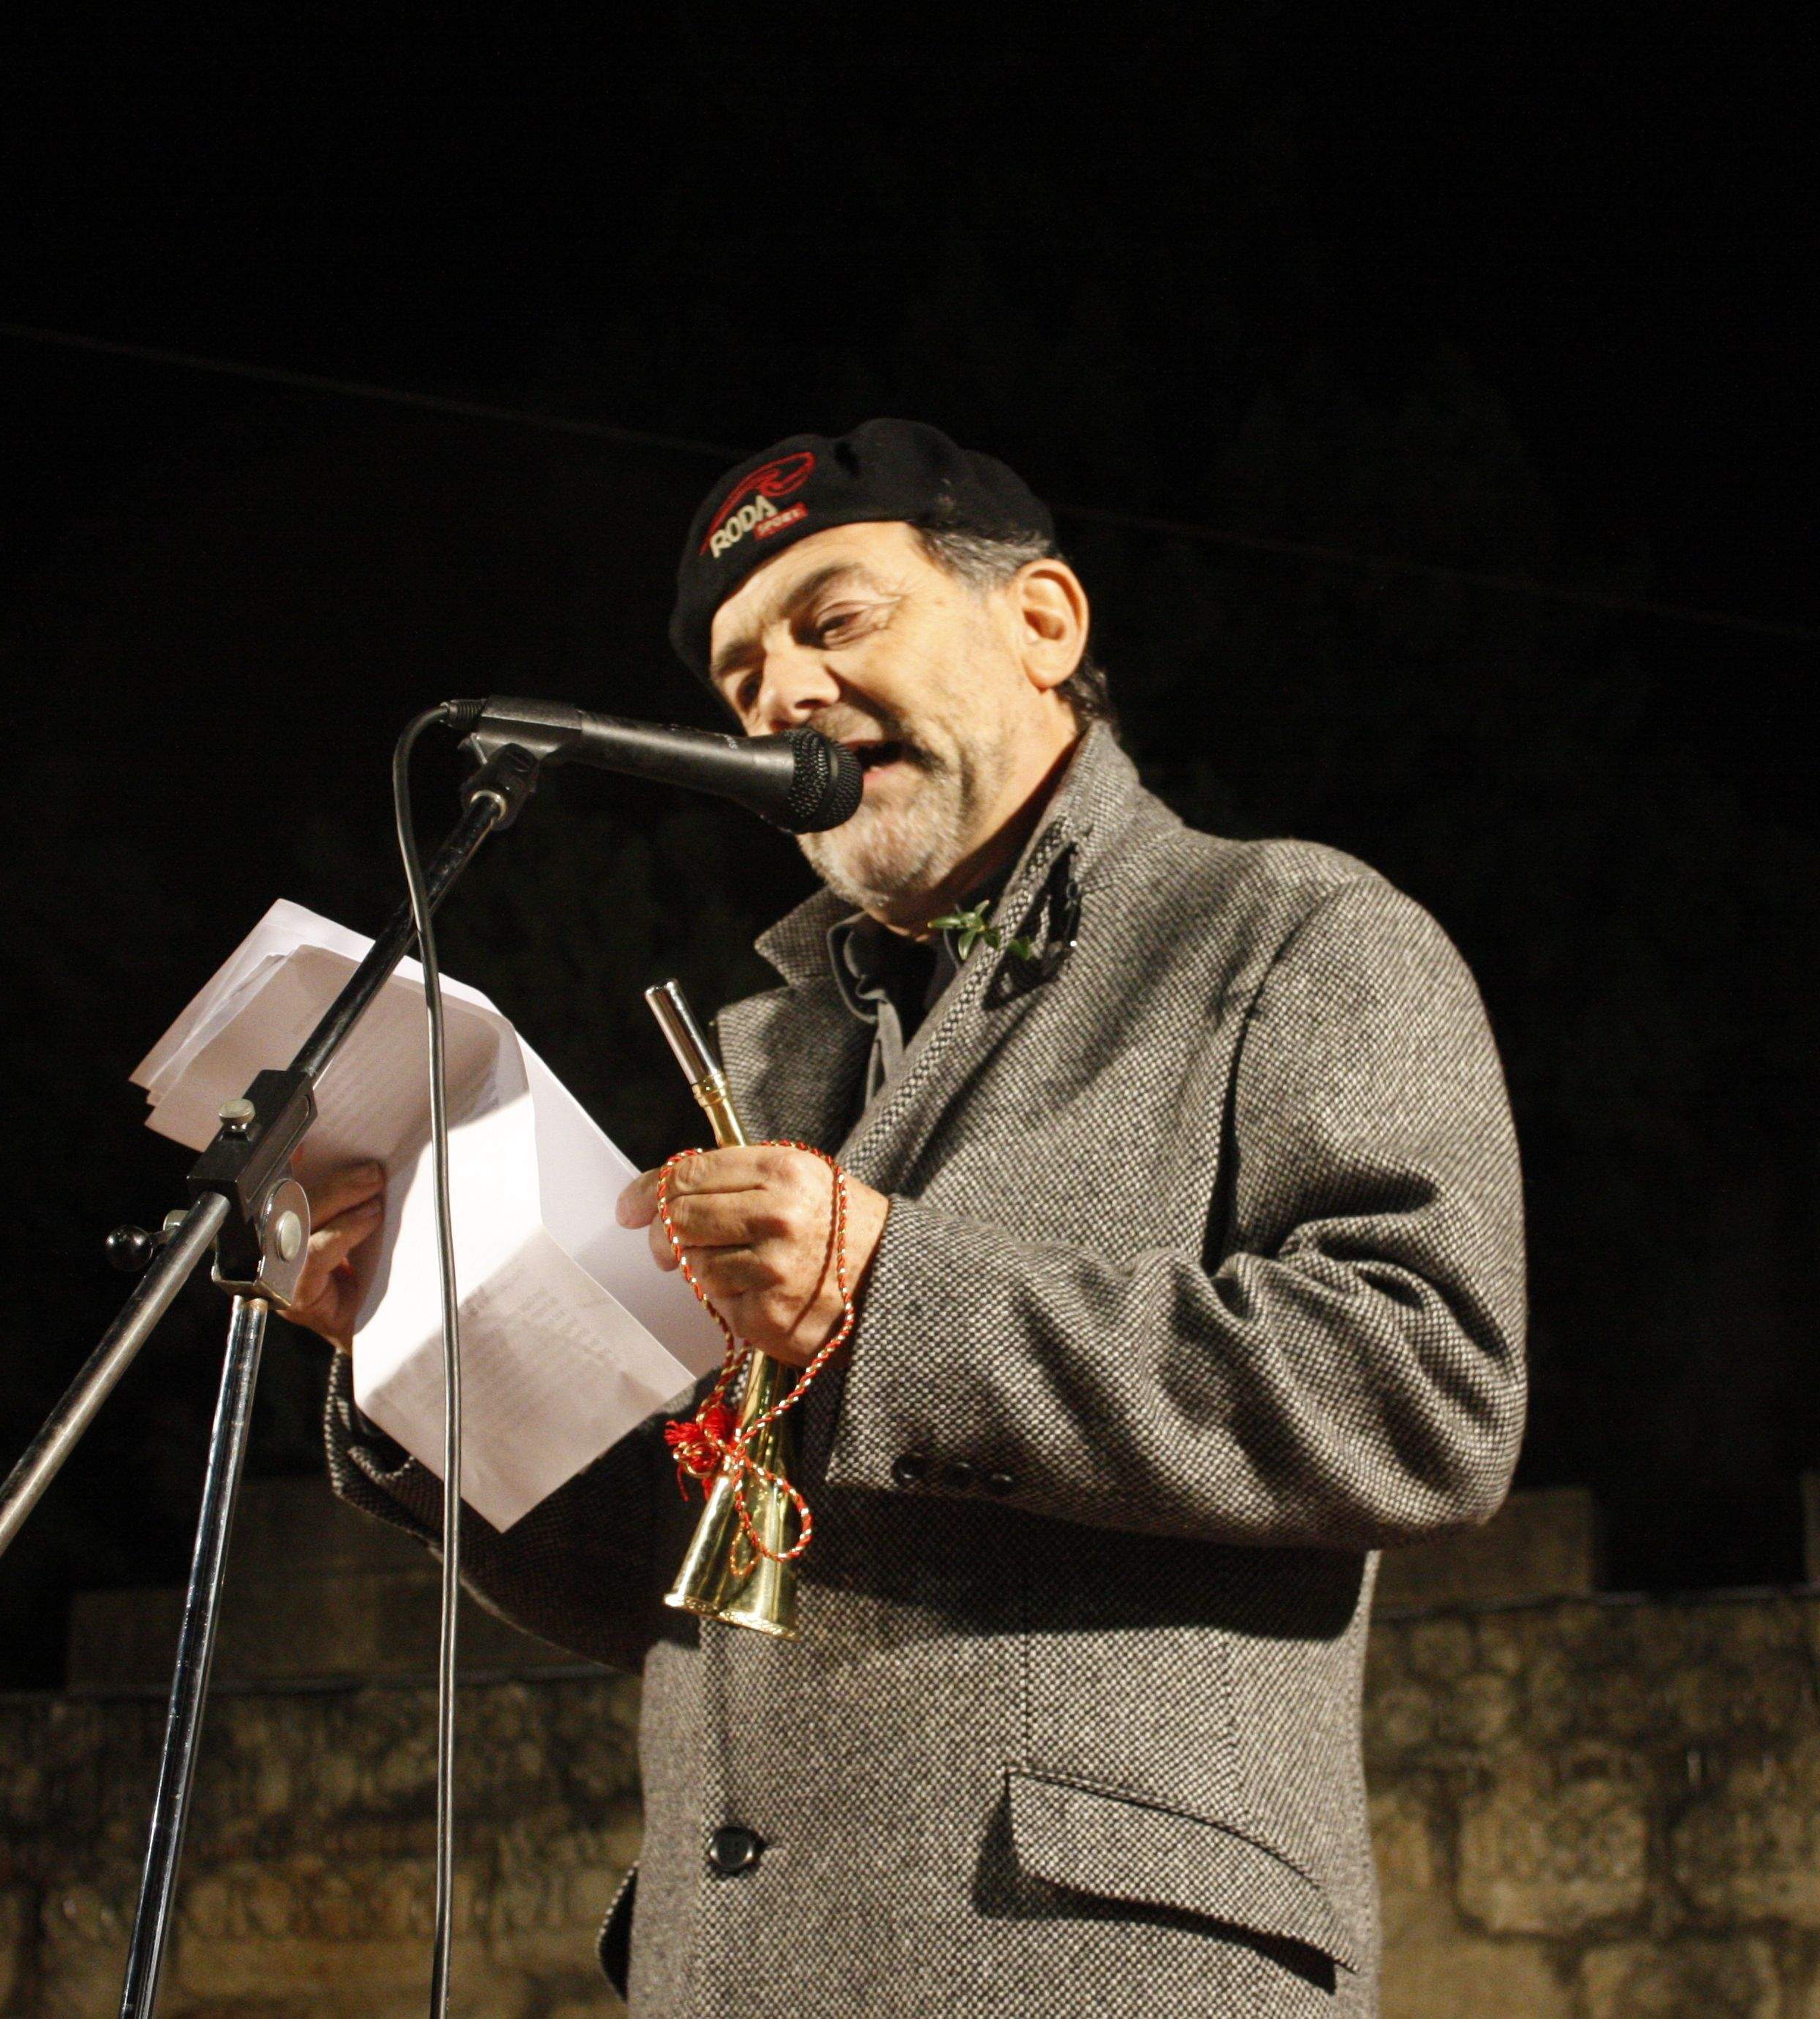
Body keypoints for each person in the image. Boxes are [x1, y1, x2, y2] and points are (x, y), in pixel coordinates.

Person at [284, 419, 1526, 2015]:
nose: (779, 694)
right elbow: (691, 1582)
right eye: (740, 678)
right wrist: (420, 1351)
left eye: (834, 620)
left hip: (1108, 1964)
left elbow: (1430, 1390)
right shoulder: (766, 1049)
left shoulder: (1290, 935)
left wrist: (893, 1291)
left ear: (1044, 623)